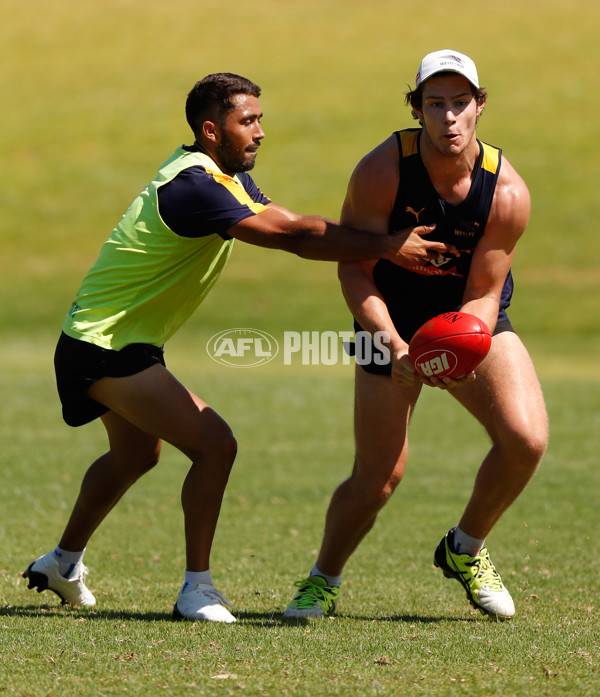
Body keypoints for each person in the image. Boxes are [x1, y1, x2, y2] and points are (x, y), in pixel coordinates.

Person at [22, 73, 452, 623]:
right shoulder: (196, 187)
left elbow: (291, 222)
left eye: (259, 118)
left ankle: (62, 563)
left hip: (113, 338)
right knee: (215, 445)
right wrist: (388, 246)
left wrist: (375, 244)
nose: (260, 132)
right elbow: (291, 237)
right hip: (102, 345)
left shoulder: (225, 178)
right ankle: (195, 590)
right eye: (247, 120)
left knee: (136, 454)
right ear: (211, 130)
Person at [283, 50, 548, 621]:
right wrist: (397, 345)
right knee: (380, 476)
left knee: (525, 440)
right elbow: (353, 267)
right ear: (416, 108)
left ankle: (465, 549)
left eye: (460, 103)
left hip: (466, 317)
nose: (449, 117)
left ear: (480, 106)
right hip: (389, 317)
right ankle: (322, 580)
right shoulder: (382, 171)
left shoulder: (506, 193)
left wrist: (464, 343)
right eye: (435, 104)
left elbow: (484, 288)